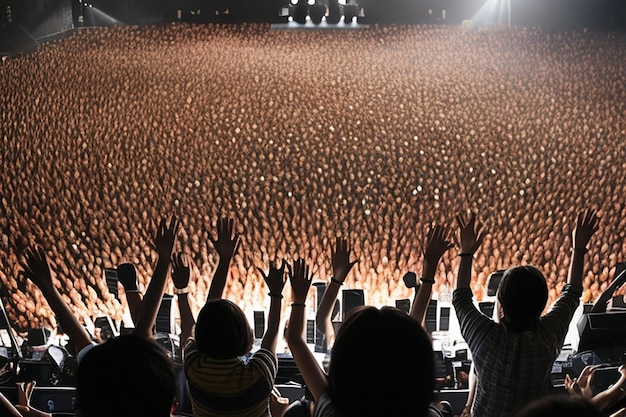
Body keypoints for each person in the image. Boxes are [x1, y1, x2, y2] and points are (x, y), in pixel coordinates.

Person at [452, 210, 600, 417]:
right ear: (543, 304)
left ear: (500, 302)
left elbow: (460, 298)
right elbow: (572, 294)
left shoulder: (484, 337)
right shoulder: (548, 337)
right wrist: (579, 248)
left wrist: (466, 252)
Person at [286, 253, 436, 417]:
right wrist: (428, 274)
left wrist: (300, 298)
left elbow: (294, 338)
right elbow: (411, 337)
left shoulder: (332, 411)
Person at [182, 218, 284, 417]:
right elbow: (271, 334)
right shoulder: (258, 375)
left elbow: (209, 313)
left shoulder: (194, 366)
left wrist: (224, 260)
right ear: (246, 339)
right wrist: (276, 294)